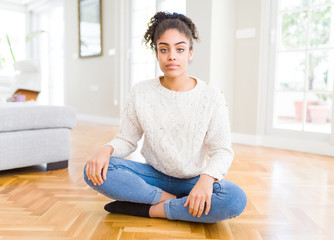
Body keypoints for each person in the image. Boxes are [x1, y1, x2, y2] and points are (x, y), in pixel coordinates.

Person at [84, 11, 247, 223]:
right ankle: (174, 202)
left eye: (180, 49)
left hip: (193, 180)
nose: (172, 56)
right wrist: (105, 150)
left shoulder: (211, 96)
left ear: (190, 53)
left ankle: (149, 210)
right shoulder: (141, 92)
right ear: (157, 53)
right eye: (164, 49)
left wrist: (206, 181)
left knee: (234, 199)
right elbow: (127, 139)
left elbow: (222, 151)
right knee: (93, 170)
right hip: (153, 176)